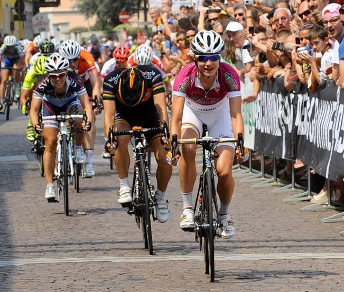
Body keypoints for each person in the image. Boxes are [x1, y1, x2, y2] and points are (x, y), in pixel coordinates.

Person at [170, 30, 243, 238]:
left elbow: (236, 114)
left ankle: (224, 214)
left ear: (220, 58)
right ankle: (187, 209)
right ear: (195, 59)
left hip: (220, 116)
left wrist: (239, 141)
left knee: (225, 170)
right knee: (188, 147)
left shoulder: (229, 75)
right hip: (192, 114)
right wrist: (174, 142)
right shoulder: (184, 76)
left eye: (213, 58)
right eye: (203, 59)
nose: (208, 63)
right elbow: (175, 118)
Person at [103, 66, 172, 223]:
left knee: (164, 156)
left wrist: (166, 137)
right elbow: (108, 116)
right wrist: (110, 139)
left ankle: (160, 197)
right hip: (124, 117)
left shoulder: (153, 76)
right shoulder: (110, 80)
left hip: (150, 116)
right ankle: (124, 185)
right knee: (119, 139)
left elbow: (161, 110)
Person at [29, 53, 93, 202]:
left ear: (66, 72)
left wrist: (88, 121)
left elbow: (87, 106)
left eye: (61, 75)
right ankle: (50, 185)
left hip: (70, 103)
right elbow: (34, 109)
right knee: (50, 143)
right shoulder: (42, 83)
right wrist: (36, 124)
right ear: (49, 75)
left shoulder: (75, 80)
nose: (57, 79)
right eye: (53, 76)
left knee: (78, 118)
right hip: (50, 107)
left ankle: (78, 148)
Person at [59, 40, 102, 178]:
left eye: (75, 60)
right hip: (68, 86)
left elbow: (95, 84)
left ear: (79, 56)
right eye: (69, 61)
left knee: (90, 117)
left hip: (85, 84)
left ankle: (89, 160)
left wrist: (95, 102)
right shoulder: (59, 59)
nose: (72, 64)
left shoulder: (87, 57)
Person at [0, 35, 24, 111]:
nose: (10, 49)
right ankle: (1, 101)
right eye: (8, 47)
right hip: (6, 60)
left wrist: (23, 68)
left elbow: (22, 59)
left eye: (12, 47)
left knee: (16, 69)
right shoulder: (2, 48)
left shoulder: (18, 48)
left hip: (16, 60)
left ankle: (17, 86)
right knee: (4, 80)